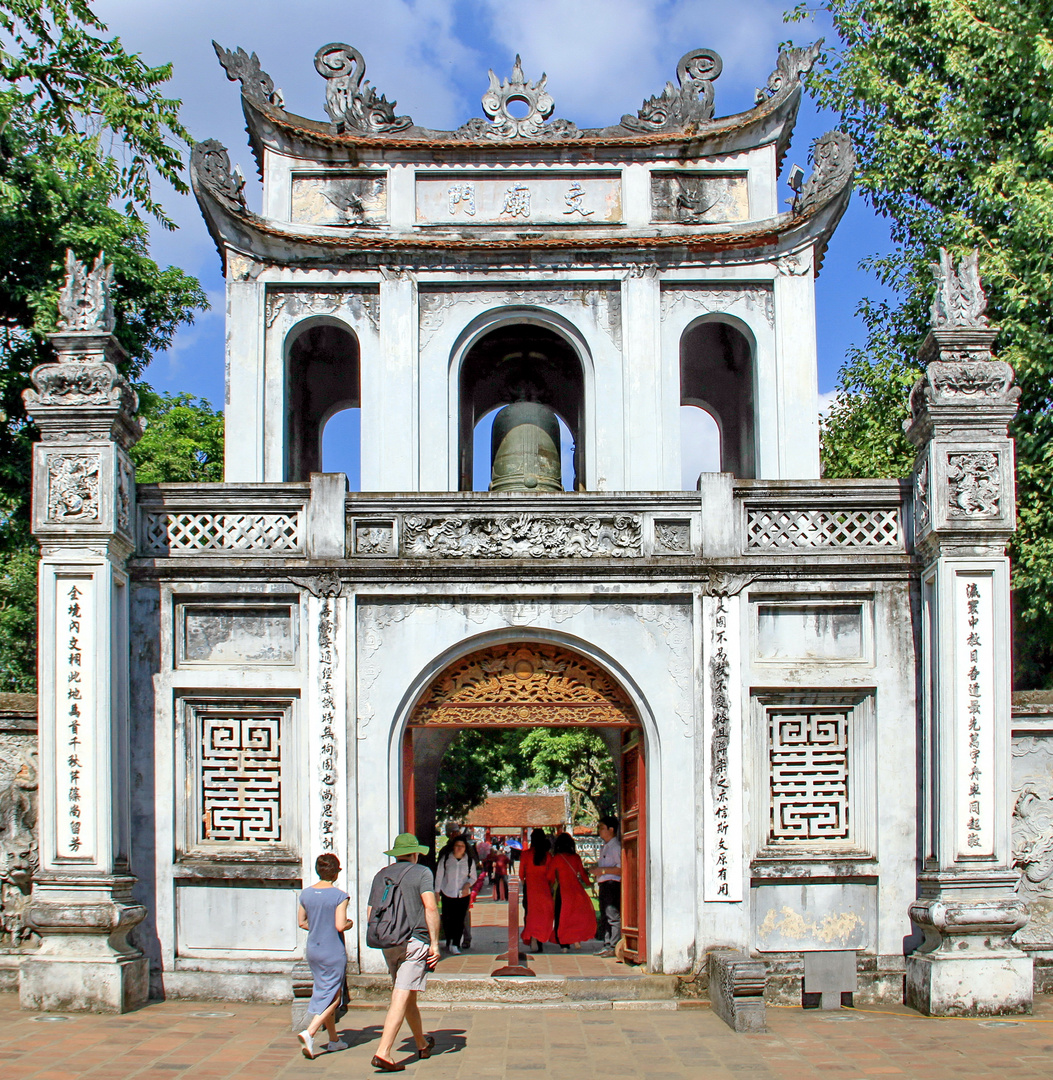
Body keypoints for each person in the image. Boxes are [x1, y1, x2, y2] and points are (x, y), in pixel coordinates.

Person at [367, 833, 441, 1072]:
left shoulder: (381, 875)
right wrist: (435, 944)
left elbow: (371, 913)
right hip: (414, 941)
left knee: (407, 994)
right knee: (401, 994)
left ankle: (421, 1043)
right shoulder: (422, 873)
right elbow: (430, 906)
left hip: (388, 942)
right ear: (415, 853)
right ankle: (384, 1052)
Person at [296, 853, 354, 1059]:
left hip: (314, 948)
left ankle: (334, 1040)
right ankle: (310, 1032)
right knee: (334, 995)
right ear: (336, 872)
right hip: (332, 950)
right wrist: (349, 924)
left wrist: (319, 926)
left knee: (324, 989)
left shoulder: (306, 894)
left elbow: (302, 922)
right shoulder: (340, 896)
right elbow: (340, 924)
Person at [547, 832, 596, 952]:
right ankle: (576, 940)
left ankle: (564, 945)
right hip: (577, 891)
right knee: (575, 916)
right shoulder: (576, 858)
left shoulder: (557, 859)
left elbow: (550, 876)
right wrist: (591, 885)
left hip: (563, 891)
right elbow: (583, 876)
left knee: (561, 916)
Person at [434, 835, 476, 954]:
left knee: (459, 920)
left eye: (462, 846)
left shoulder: (469, 861)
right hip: (447, 892)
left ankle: (456, 943)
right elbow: (439, 876)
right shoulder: (446, 859)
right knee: (447, 919)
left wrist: (467, 885)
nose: (459, 848)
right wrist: (437, 892)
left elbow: (473, 877)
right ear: (453, 847)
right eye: (457, 846)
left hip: (462, 895)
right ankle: (449, 940)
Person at [520, 828, 554, 953]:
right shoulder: (548, 856)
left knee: (530, 914)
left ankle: (532, 936)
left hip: (530, 888)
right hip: (544, 888)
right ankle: (539, 937)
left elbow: (521, 874)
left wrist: (526, 883)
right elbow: (551, 875)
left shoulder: (525, 854)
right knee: (544, 914)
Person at [595, 815, 622, 958]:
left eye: (602, 828)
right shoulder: (605, 847)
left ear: (611, 829)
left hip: (612, 884)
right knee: (605, 915)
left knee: (612, 915)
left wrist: (603, 871)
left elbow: (621, 869)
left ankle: (613, 945)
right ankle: (606, 944)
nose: (599, 831)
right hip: (604, 884)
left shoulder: (615, 847)